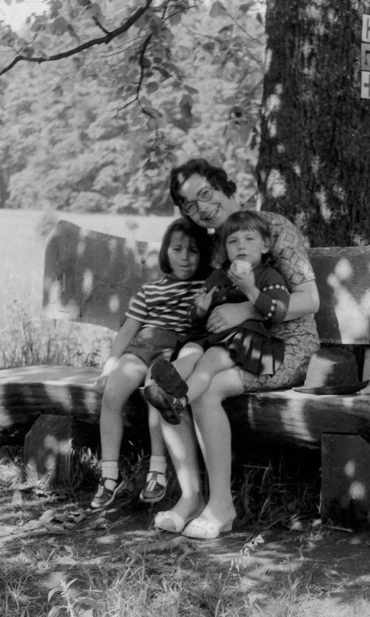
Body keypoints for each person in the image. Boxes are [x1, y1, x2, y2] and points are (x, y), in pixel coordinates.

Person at [149, 159, 320, 538]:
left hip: (282, 347)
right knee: (167, 380)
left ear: (226, 187)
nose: (202, 207)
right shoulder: (214, 247)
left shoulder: (272, 227)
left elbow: (310, 301)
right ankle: (190, 497)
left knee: (205, 388)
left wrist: (242, 307)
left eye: (206, 194)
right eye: (190, 204)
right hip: (229, 346)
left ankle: (221, 507)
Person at [89, 217, 213, 509]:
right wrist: (109, 367)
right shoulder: (149, 291)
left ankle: (157, 470)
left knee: (154, 392)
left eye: (194, 250)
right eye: (178, 249)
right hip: (141, 348)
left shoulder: (205, 288)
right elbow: (127, 332)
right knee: (112, 394)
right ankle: (109, 475)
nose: (184, 257)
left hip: (172, 352)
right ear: (166, 252)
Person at [143, 210, 290, 425]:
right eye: (233, 241)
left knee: (208, 362)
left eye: (249, 239)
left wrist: (249, 289)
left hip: (243, 341)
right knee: (189, 353)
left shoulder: (268, 276)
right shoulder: (218, 277)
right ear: (226, 249)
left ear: (265, 246)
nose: (241, 246)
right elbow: (193, 319)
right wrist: (200, 309)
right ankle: (160, 390)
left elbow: (278, 312)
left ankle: (180, 401)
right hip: (209, 336)